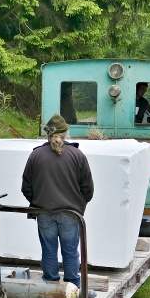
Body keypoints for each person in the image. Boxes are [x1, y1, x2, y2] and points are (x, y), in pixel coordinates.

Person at [21, 115, 94, 288]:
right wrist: (78, 204)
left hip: (44, 212)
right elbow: (88, 189)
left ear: (47, 134)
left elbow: (26, 187)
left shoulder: (35, 155)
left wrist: (38, 202)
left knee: (48, 250)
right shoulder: (77, 155)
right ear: (65, 133)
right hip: (70, 213)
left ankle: (50, 285)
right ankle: (74, 287)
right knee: (70, 251)